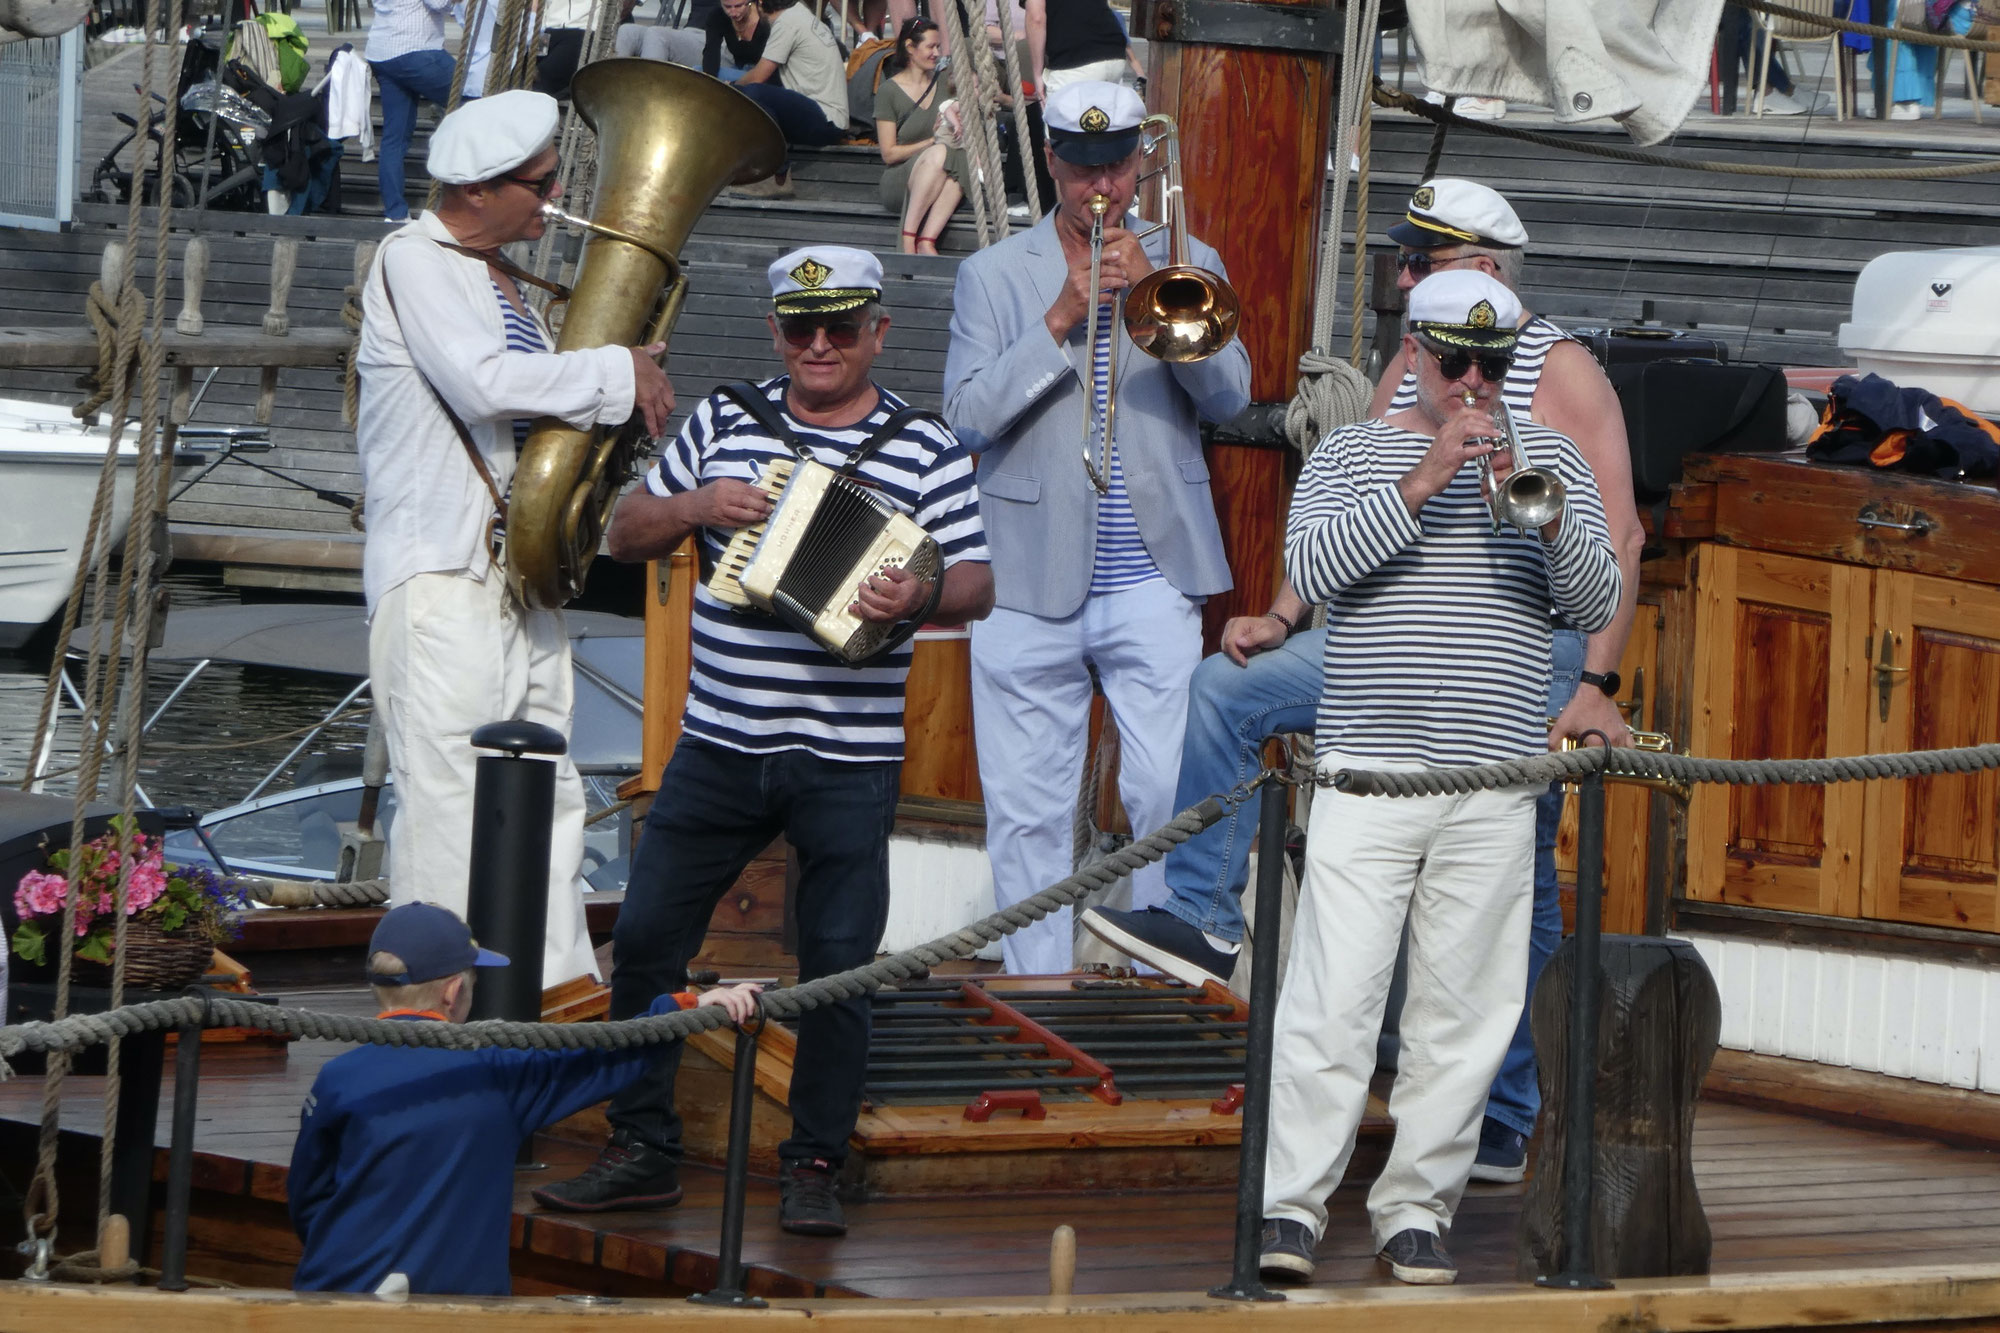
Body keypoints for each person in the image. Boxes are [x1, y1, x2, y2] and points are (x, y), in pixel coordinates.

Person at [1086, 178, 1644, 1186]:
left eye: (1420, 259)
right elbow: (1349, 500)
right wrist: (1283, 611)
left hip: (1527, 646)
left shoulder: (1554, 370)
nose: (1400, 274)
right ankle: (1205, 918)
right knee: (1224, 690)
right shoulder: (1411, 361)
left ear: (1481, 269)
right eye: (1405, 261)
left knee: (1518, 884)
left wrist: (1599, 679)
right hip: (1387, 642)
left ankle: (1504, 1110)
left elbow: (1619, 532)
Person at [531, 246, 993, 1236]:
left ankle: (815, 1161)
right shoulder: (723, 419)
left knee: (837, 963)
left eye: (838, 327)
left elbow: (978, 587)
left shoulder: (925, 448)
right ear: (775, 332)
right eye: (799, 328)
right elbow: (624, 535)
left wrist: (915, 591)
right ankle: (642, 1143)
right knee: (648, 939)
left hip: (848, 752)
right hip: (719, 742)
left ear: (877, 331)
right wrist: (698, 506)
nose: (817, 345)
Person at [1257, 270, 1623, 1287]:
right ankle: (1287, 1208)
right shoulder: (1350, 452)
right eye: (1451, 358)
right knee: (1332, 1001)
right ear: (1412, 349)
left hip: (1492, 779)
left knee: (1462, 1016)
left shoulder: (1545, 458)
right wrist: (1418, 484)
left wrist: (1542, 518)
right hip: (1369, 773)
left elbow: (1592, 595)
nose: (1470, 380)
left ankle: (1414, 1208)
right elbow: (1313, 569)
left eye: (1490, 363)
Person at [355, 91, 677, 993]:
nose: (554, 198)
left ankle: (554, 993)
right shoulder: (411, 258)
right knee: (449, 793)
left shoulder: (501, 278)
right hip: (442, 575)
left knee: (550, 789)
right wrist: (619, 371)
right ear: (479, 190)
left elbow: (532, 410)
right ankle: (431, 1002)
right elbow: (485, 383)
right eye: (539, 185)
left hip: (516, 578)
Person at [941, 81, 1250, 976]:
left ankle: (1151, 976)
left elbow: (1231, 395)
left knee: (1164, 790)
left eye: (1115, 164)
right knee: (1028, 803)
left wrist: (1162, 304)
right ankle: (1036, 988)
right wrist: (1063, 318)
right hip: (1026, 572)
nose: (1099, 187)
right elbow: (963, 414)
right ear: (1051, 163)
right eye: (1081, 169)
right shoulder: (992, 276)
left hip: (1154, 568)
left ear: (1140, 161)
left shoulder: (1192, 258)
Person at [289, 902, 763, 1295]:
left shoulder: (337, 1079)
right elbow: (613, 1055)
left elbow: (308, 1198)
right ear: (454, 992)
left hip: (334, 1290)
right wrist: (686, 1007)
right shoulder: (498, 1070)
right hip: (457, 1303)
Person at [728, 0, 851, 198]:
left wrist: (728, 89)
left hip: (825, 119)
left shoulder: (788, 22)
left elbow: (759, 76)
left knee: (752, 93)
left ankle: (776, 176)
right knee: (757, 93)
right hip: (826, 116)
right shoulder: (799, 14)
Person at [875, 18, 966, 255]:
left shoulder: (946, 83)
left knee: (958, 159)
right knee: (940, 152)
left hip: (941, 168)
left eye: (938, 47)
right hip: (900, 177)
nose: (936, 53)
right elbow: (889, 154)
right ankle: (908, 238)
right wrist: (931, 141)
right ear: (910, 47)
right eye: (930, 47)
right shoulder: (889, 92)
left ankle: (927, 240)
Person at [363, 0, 454, 222]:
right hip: (415, 49)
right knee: (475, 100)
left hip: (383, 50)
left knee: (395, 138)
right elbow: (440, 3)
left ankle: (395, 214)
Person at [1024, 0, 1144, 98]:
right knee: (1102, 121)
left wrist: (1037, 73)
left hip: (1075, 60)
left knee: (1062, 123)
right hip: (1113, 52)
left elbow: (1036, 18)